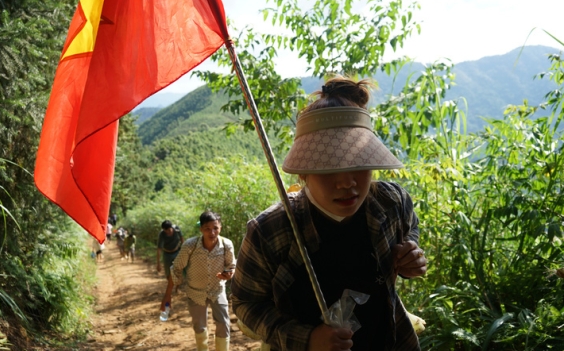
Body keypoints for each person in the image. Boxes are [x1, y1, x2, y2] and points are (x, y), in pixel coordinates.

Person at [231, 76, 427, 351]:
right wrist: (307, 339)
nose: (346, 183)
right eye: (328, 168)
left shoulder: (391, 202)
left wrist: (411, 255)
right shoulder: (270, 231)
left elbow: (410, 228)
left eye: (359, 164)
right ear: (303, 173)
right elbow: (245, 303)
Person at [162, 211, 236, 351]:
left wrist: (229, 274)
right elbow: (176, 268)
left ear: (220, 228)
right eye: (207, 229)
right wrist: (167, 295)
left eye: (215, 228)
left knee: (223, 323)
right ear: (201, 229)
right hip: (195, 292)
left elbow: (231, 266)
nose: (212, 232)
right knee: (200, 327)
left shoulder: (226, 245)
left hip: (217, 290)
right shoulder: (190, 246)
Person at [157, 220, 184, 293]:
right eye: (166, 230)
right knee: (168, 273)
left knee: (179, 270)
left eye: (169, 230)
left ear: (171, 227)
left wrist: (184, 250)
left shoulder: (177, 230)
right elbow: (159, 249)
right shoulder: (162, 234)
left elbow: (182, 238)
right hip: (167, 254)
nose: (168, 232)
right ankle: (170, 287)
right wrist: (158, 263)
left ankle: (177, 288)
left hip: (177, 252)